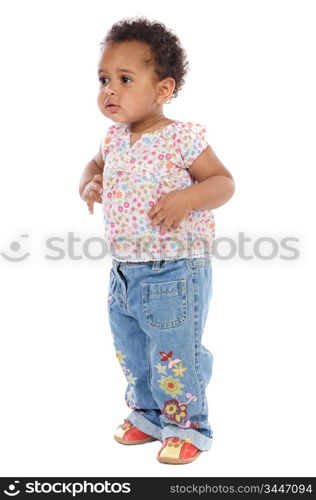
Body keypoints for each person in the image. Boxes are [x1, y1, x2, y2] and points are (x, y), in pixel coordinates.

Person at [79, 16, 235, 465]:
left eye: (125, 80)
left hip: (174, 269)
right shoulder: (112, 139)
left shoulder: (180, 138)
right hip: (124, 271)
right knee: (132, 350)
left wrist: (189, 197)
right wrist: (90, 184)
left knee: (174, 354)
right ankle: (147, 415)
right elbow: (91, 169)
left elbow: (223, 183)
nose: (110, 90)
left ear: (163, 90)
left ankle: (188, 426)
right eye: (104, 79)